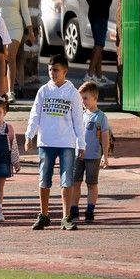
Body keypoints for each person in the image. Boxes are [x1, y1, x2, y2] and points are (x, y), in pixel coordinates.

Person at [24, 53, 85, 231]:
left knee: (67, 180)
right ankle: (44, 214)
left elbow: (78, 120)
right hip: (46, 142)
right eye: (50, 69)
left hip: (66, 142)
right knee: (44, 179)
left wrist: (81, 144)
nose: (52, 73)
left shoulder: (72, 93)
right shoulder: (43, 91)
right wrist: (30, 135)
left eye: (56, 70)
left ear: (65, 71)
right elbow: (35, 114)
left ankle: (66, 217)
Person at [69, 80, 111, 224]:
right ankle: (74, 210)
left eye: (85, 98)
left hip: (93, 156)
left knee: (92, 184)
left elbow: (105, 138)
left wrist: (105, 156)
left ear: (95, 97)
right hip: (77, 155)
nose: (83, 101)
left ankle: (90, 210)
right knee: (75, 183)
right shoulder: (79, 115)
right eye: (81, 99)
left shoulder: (101, 117)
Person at [84, 0, 120, 86]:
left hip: (92, 13)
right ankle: (89, 74)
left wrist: (94, 5)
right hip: (101, 14)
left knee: (98, 43)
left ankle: (98, 75)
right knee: (99, 44)